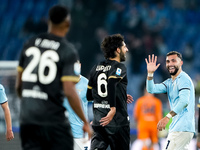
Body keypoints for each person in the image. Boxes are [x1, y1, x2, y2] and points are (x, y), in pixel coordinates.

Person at [15, 5, 92, 150]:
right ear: (67, 24)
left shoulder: (29, 45)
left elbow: (19, 87)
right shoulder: (66, 50)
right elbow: (69, 91)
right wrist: (85, 122)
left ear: (49, 22)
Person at [87, 34, 133, 150]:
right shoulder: (119, 67)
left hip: (99, 122)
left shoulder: (95, 68)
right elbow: (111, 84)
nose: (126, 49)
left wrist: (120, 95)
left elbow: (89, 96)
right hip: (117, 123)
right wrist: (112, 108)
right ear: (118, 50)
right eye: (124, 47)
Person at [145, 51, 195, 150]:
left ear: (181, 63)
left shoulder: (183, 79)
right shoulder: (169, 82)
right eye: (168, 61)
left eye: (173, 61)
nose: (170, 64)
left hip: (182, 128)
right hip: (178, 129)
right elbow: (151, 89)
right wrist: (150, 74)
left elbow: (184, 101)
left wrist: (167, 117)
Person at [63, 74, 91, 150]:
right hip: (64, 133)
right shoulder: (62, 82)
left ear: (80, 65)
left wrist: (96, 119)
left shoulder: (86, 83)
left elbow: (98, 100)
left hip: (80, 133)